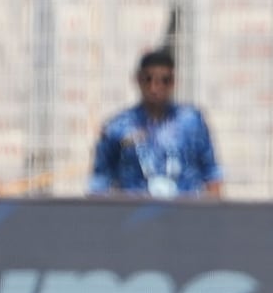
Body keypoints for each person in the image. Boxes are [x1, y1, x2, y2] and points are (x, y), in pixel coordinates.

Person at [89, 49, 223, 199]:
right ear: (138, 80)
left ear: (173, 82)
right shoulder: (118, 126)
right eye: (148, 79)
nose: (155, 87)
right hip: (133, 213)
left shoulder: (191, 121)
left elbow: (211, 172)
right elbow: (100, 179)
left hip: (185, 210)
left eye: (164, 80)